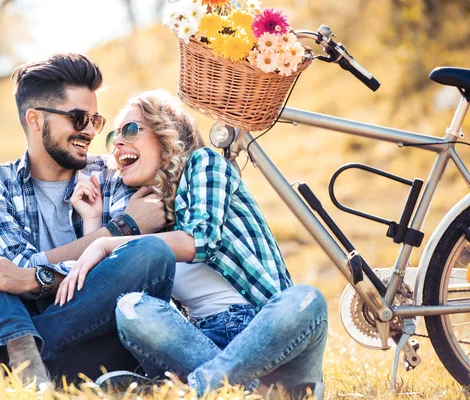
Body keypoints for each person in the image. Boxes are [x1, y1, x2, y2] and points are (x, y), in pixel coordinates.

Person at [0, 54, 176, 389]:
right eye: (79, 118)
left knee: (152, 255)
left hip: (93, 339)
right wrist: (119, 229)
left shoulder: (113, 176)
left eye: (95, 120)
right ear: (36, 119)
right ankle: (19, 348)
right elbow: (16, 274)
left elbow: (108, 276)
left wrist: (28, 278)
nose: (89, 131)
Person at [58, 89, 328, 398]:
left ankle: (197, 388)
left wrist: (107, 244)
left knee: (306, 298)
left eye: (131, 130)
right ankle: (251, 392)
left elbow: (201, 240)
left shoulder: (205, 164)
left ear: (166, 133)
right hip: (201, 341)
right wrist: (94, 222)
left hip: (266, 335)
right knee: (131, 308)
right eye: (113, 138)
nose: (118, 143)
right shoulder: (150, 215)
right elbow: (107, 287)